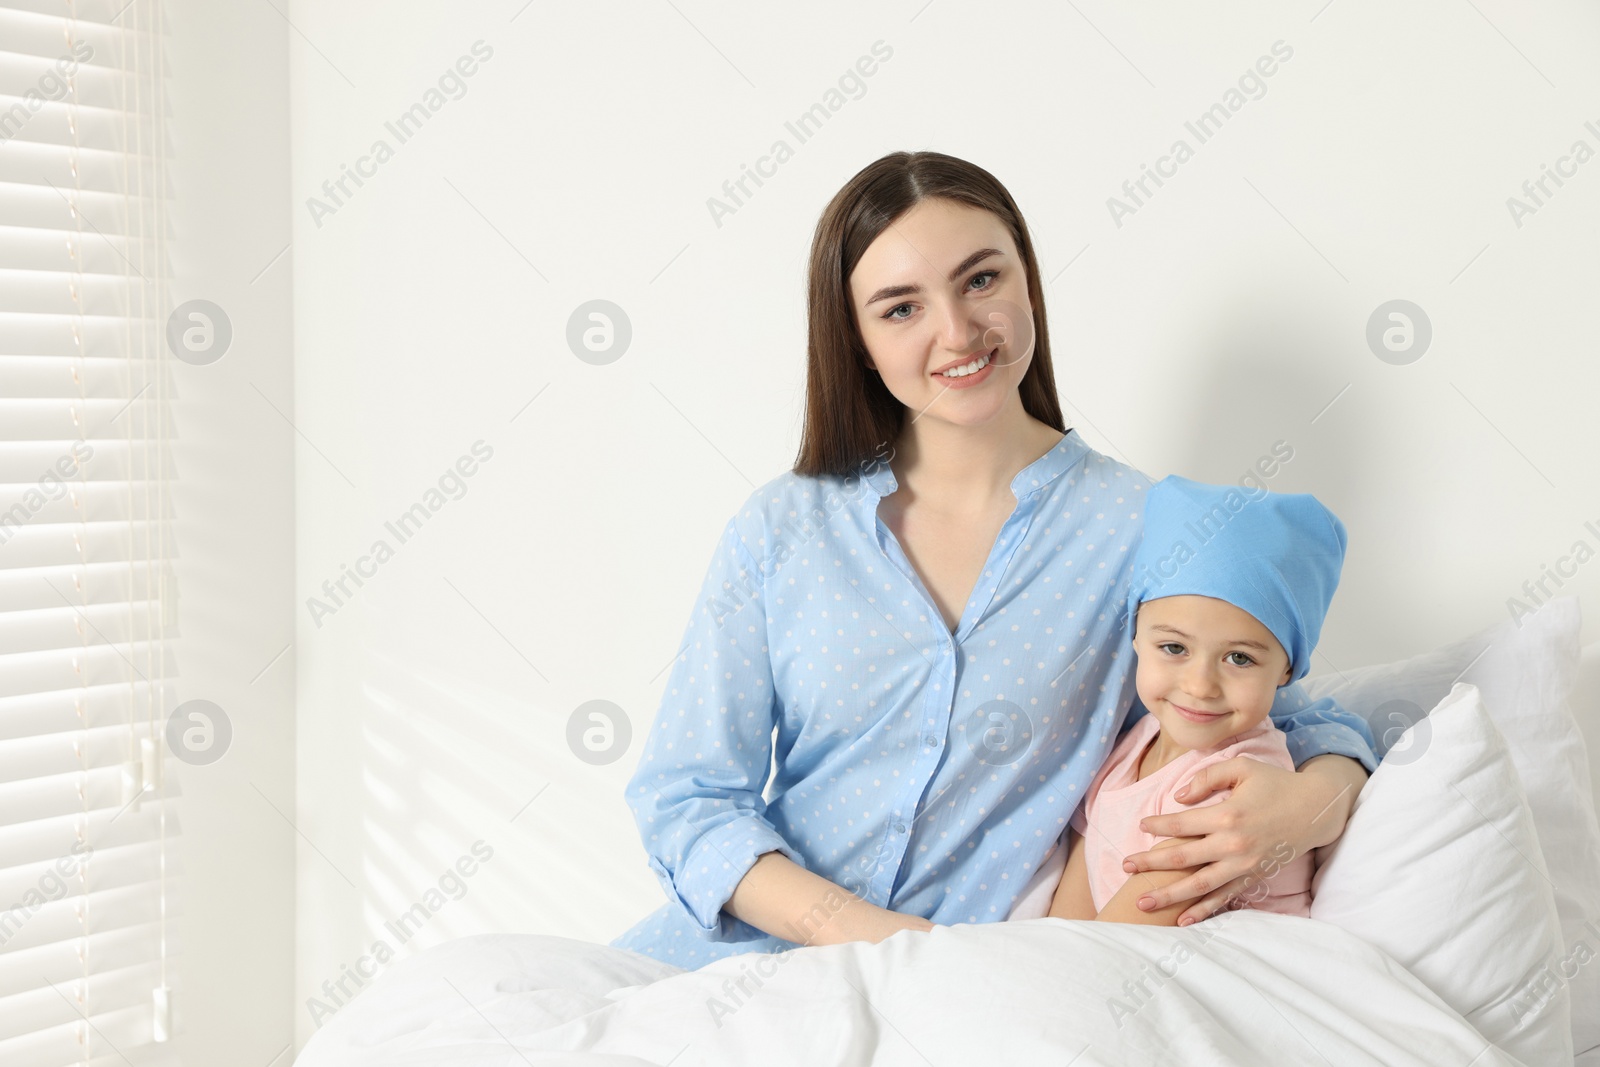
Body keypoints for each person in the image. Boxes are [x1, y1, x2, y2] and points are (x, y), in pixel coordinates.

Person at [611, 150, 1377, 969]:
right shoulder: (781, 527)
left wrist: (1307, 805)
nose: (957, 332)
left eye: (980, 280)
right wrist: (886, 943)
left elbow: (1284, 707)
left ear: (1028, 285)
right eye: (901, 308)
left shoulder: (1141, 526)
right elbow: (687, 795)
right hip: (728, 969)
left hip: (979, 995)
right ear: (859, 341)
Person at [1044, 474, 1346, 925]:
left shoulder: (1234, 786)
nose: (1201, 685)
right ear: (1136, 637)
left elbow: (1127, 930)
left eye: (1239, 658)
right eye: (1174, 648)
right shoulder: (1133, 744)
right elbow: (1068, 923)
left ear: (1287, 670)